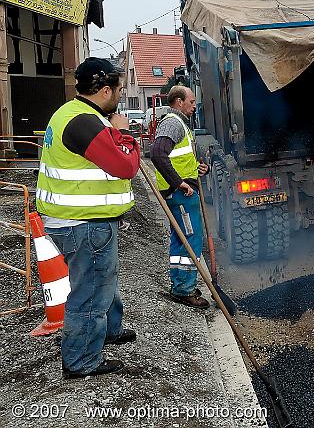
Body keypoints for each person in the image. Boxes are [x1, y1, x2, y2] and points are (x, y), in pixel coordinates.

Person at [36, 57, 140, 378]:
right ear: (106, 90)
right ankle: (81, 360)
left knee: (103, 281)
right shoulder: (85, 123)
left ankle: (109, 329)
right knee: (91, 290)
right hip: (84, 223)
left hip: (73, 219)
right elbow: (126, 166)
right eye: (120, 89)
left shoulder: (71, 113)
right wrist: (125, 134)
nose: (122, 94)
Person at [151, 85, 210, 308]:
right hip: (181, 194)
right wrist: (180, 183)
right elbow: (157, 154)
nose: (194, 106)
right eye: (191, 102)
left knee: (179, 240)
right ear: (178, 102)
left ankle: (180, 284)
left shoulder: (180, 124)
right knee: (190, 239)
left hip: (180, 192)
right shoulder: (172, 123)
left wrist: (197, 168)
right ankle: (185, 290)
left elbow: (178, 159)